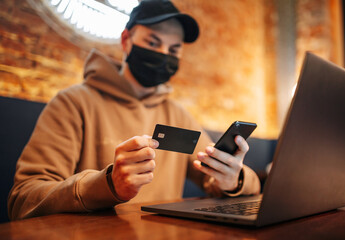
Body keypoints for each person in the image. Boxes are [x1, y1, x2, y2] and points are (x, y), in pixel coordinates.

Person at [8, 0, 260, 220]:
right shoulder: (73, 103)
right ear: (126, 41)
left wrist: (233, 179)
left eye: (174, 50)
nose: (163, 54)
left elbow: (212, 178)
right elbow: (23, 200)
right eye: (153, 42)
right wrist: (107, 184)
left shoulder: (178, 115)